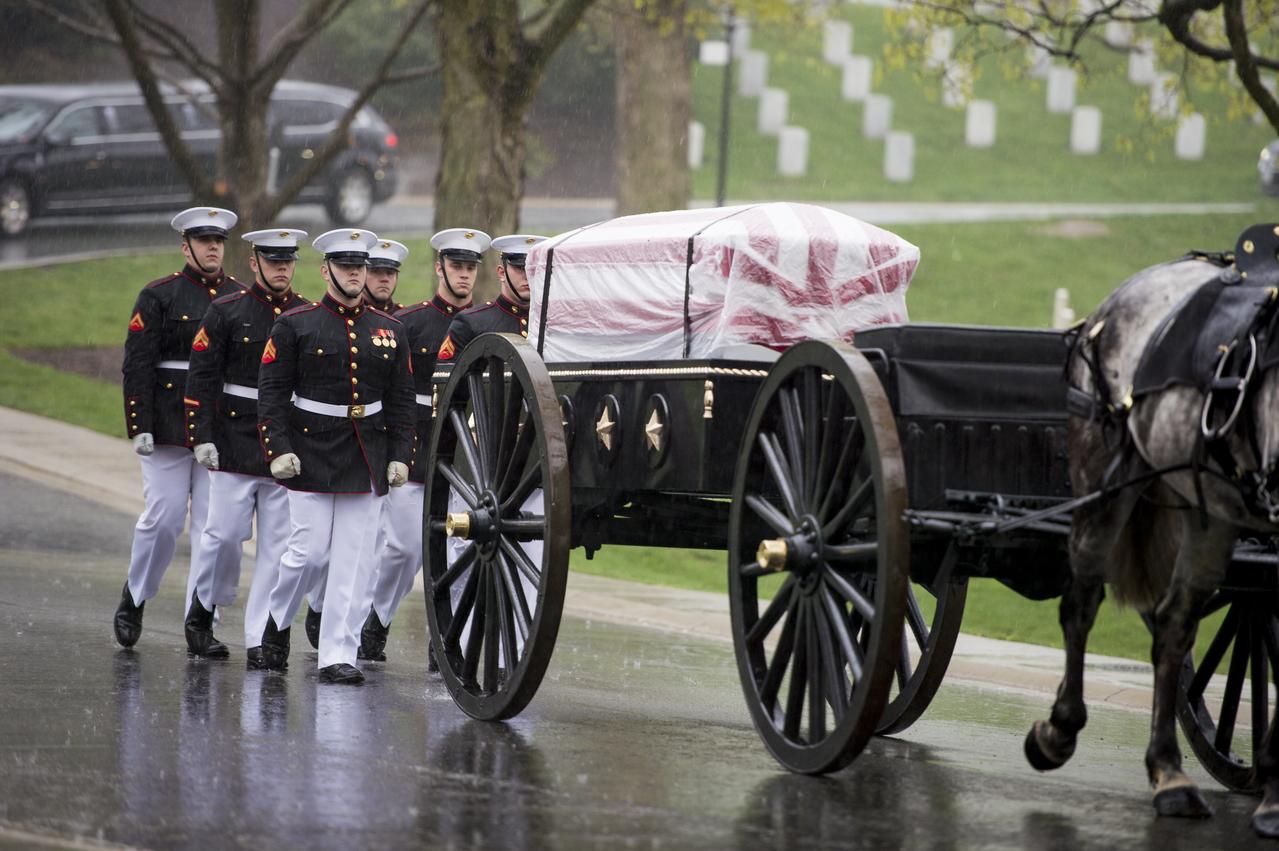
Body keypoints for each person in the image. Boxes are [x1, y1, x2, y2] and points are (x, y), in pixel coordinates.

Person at [256, 228, 414, 684]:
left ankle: (337, 653)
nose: (354, 274)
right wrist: (278, 449)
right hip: (310, 450)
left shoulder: (390, 330)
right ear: (326, 270)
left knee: (356, 559)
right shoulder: (296, 324)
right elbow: (272, 393)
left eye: (360, 267)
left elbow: (402, 400)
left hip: (366, 454)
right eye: (345, 266)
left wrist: (401, 454)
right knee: (308, 555)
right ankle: (277, 622)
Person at [115, 206, 245, 649]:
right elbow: (137, 363)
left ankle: (201, 617)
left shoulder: (239, 298)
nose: (213, 248)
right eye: (204, 240)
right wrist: (140, 422)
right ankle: (135, 595)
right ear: (184, 246)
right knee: (165, 519)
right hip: (169, 424)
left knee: (216, 529)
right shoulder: (159, 296)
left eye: (219, 241)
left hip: (220, 427)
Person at [183, 228, 309, 666]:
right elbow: (201, 380)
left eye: (287, 262)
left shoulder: (306, 315)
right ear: (254, 262)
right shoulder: (226, 312)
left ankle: (261, 636)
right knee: (223, 537)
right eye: (273, 262)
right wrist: (201, 436)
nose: (281, 269)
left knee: (278, 546)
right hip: (234, 440)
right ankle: (203, 607)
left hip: (283, 445)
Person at [356, 230, 484, 661]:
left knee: (459, 549)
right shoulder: (409, 323)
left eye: (470, 268)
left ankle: (445, 636)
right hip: (415, 447)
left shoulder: (483, 322)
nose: (464, 275)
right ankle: (378, 616)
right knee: (405, 549)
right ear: (439, 268)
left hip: (463, 456)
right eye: (457, 266)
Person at [436, 233, 544, 362]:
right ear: (502, 273)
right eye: (520, 268)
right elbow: (447, 378)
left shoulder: (553, 322)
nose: (527, 276)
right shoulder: (471, 322)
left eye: (533, 269)